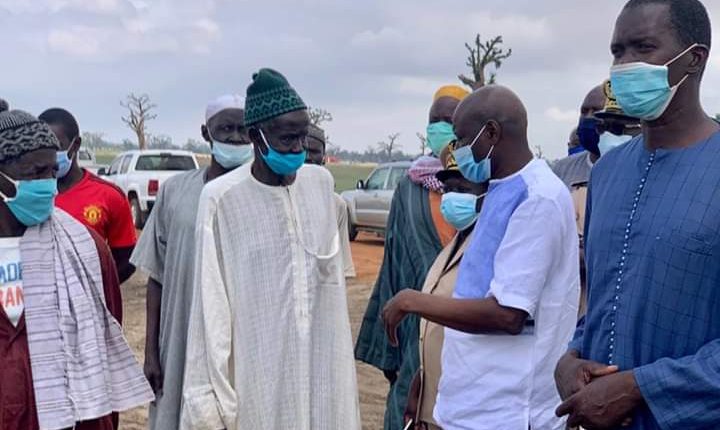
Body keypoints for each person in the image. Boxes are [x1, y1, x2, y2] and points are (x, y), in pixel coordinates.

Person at [555, 0, 720, 428]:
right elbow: (607, 298)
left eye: (643, 48)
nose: (625, 65)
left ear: (694, 59)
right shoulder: (607, 173)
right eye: (617, 51)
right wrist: (571, 357)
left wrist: (641, 388)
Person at [181, 68, 360, 429]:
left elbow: (333, 286)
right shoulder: (222, 199)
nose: (297, 149)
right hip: (257, 376)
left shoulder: (320, 186)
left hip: (323, 375)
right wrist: (212, 401)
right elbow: (210, 305)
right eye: (287, 138)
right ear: (255, 136)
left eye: (302, 137)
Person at [417, 85, 579, 430]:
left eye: (462, 139)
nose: (458, 150)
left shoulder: (538, 198)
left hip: (510, 412)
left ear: (491, 132)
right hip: (473, 404)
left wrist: (413, 302)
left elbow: (507, 314)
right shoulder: (500, 188)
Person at [0, 106, 152, 430]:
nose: (48, 186)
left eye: (51, 172)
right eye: (35, 173)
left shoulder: (84, 247)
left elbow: (105, 342)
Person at [131, 95, 250, 430]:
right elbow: (157, 276)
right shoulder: (175, 192)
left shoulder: (259, 194)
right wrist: (151, 353)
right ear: (205, 132)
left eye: (243, 130)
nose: (236, 138)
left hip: (241, 340)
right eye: (226, 129)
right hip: (180, 337)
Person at [355, 84, 468, 430]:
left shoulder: (484, 183)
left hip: (468, 329)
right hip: (412, 337)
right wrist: (388, 346)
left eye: (450, 120)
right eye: (435, 120)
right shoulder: (409, 188)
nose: (441, 127)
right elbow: (394, 262)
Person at [382, 143, 487, 430]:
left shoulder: (493, 246)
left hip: (469, 408)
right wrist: (422, 383)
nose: (452, 198)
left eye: (463, 189)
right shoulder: (457, 241)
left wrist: (412, 301)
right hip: (437, 402)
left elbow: (496, 318)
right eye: (448, 189)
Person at [39, 108, 137, 283]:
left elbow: (127, 260)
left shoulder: (109, 196)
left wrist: (95, 287)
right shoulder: (23, 194)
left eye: (56, 146)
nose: (49, 154)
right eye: (42, 146)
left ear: (76, 145)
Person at [304, 123, 356, 278]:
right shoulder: (280, 197)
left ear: (323, 157)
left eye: (314, 152)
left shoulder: (336, 204)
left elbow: (343, 266)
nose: (308, 157)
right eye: (304, 150)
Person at [551, 85, 605, 188]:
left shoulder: (630, 168)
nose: (588, 117)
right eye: (584, 111)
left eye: (596, 111)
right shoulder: (562, 169)